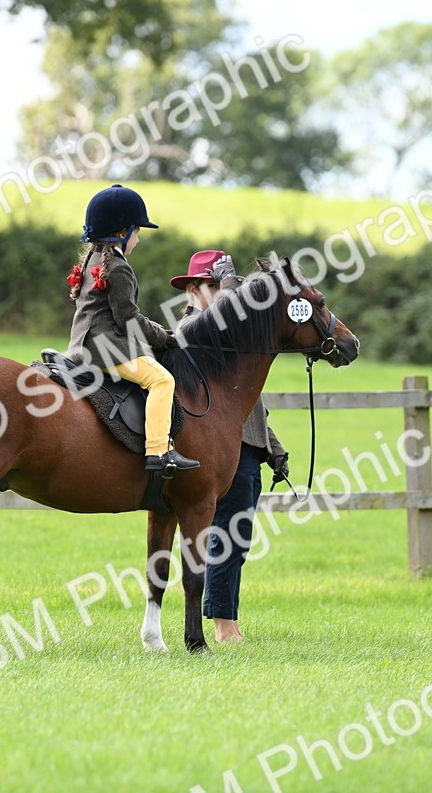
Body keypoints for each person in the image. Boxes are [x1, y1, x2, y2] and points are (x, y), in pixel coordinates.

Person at [171, 250, 289, 643]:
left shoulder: (229, 342)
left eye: (219, 285)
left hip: (247, 447)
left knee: (239, 537)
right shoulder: (191, 331)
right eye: (212, 285)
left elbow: (248, 404)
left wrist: (272, 446)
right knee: (226, 534)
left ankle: (229, 619)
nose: (219, 293)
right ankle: (223, 624)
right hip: (218, 450)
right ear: (193, 290)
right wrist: (232, 288)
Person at [68, 184, 200, 474]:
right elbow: (128, 319)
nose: (138, 239)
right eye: (136, 232)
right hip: (106, 350)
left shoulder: (92, 260)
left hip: (80, 347)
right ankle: (159, 452)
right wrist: (162, 337)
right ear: (121, 233)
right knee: (162, 381)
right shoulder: (118, 267)